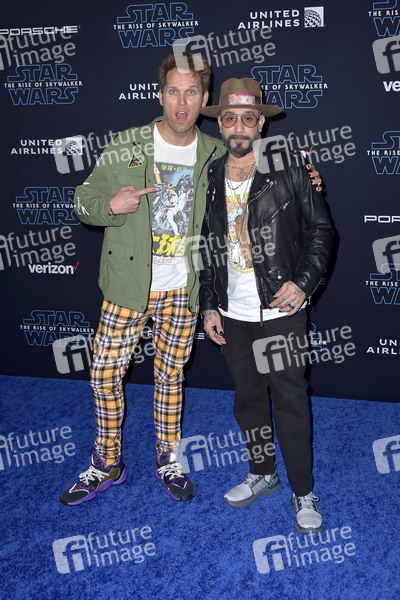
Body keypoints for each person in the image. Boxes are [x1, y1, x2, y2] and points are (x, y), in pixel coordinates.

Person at [59, 54, 323, 507]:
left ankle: (169, 459)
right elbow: (82, 200)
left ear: (203, 100)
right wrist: (109, 207)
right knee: (104, 375)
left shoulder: (216, 152)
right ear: (160, 95)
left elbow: (265, 171)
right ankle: (107, 462)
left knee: (171, 378)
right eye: (173, 92)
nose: (182, 103)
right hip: (128, 285)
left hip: (185, 290)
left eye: (191, 92)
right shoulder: (127, 143)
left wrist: (307, 177)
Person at [199, 77, 335, 533]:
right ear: (221, 125)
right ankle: (262, 473)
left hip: (281, 310)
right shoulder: (210, 175)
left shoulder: (289, 166)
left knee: (291, 402)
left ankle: (303, 491)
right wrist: (209, 304)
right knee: (248, 401)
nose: (239, 127)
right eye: (230, 118)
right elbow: (206, 245)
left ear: (260, 123)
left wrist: (303, 283)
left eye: (247, 118)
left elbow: (322, 231)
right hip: (233, 314)